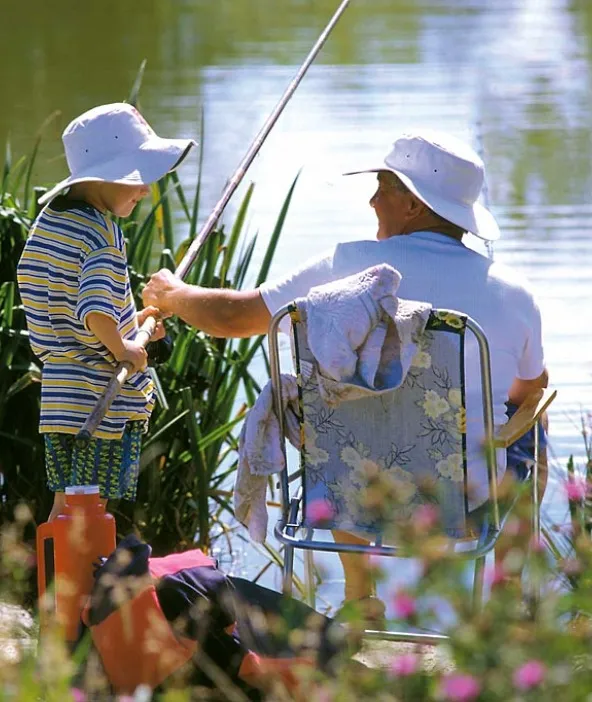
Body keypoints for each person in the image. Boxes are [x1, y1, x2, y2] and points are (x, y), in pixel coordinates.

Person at [142, 129, 548, 610]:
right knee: (531, 424)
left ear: (414, 205)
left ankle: (359, 597)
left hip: (349, 491)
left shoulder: (344, 269)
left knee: (344, 426)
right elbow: (528, 390)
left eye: (383, 187)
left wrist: (172, 294)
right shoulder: (512, 292)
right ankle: (506, 599)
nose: (373, 200)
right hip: (462, 496)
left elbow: (234, 318)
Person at [17, 102, 196, 522]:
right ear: (105, 176)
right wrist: (125, 350)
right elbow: (94, 310)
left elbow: (69, 307)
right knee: (93, 506)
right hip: (97, 394)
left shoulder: (51, 222)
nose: (145, 190)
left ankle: (59, 584)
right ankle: (83, 585)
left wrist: (132, 326)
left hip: (60, 392)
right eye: (136, 179)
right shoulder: (100, 233)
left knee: (67, 501)